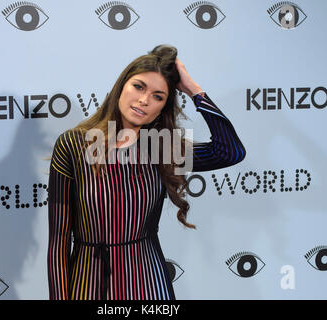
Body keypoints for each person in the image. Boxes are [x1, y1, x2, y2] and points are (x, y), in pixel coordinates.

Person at [47, 44, 246, 300]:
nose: (144, 100)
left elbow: (230, 152)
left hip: (149, 285)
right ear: (121, 86)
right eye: (138, 87)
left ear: (163, 108)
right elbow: (59, 240)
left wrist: (194, 90)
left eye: (158, 96)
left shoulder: (160, 147)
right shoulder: (75, 144)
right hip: (88, 283)